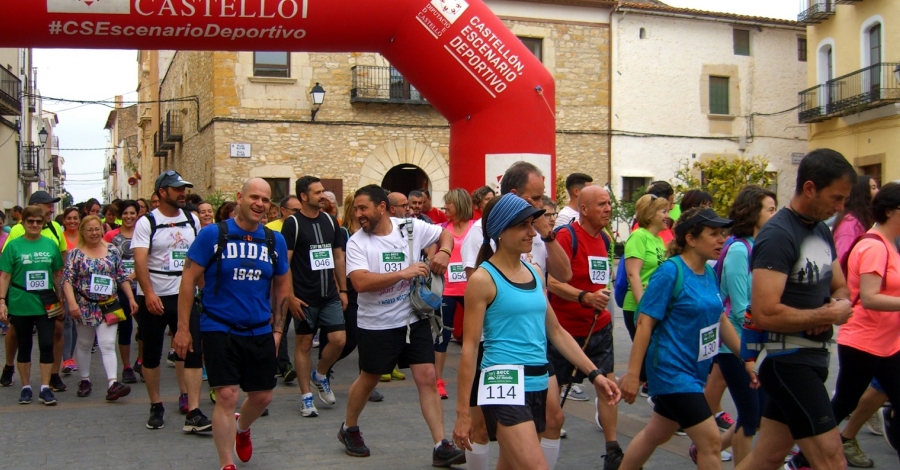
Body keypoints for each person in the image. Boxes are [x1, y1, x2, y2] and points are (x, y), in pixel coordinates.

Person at [453, 194, 620, 469]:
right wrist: (463, 413)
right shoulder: (482, 279)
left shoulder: (532, 271)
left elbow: (556, 332)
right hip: (503, 383)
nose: (533, 232)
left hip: (538, 381)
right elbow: (470, 348)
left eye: (532, 224)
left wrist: (595, 374)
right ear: (500, 231)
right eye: (523, 226)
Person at [736, 149, 856, 470]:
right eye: (836, 197)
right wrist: (824, 315)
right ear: (810, 188)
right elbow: (764, 313)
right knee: (832, 459)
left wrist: (834, 304)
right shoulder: (778, 235)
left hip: (811, 359)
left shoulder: (820, 230)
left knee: (768, 457)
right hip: (789, 363)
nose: (840, 207)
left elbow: (841, 286)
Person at [339, 184, 465, 465]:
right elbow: (360, 282)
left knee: (427, 377)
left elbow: (444, 233)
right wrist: (402, 273)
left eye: (363, 208)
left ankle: (440, 445)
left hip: (413, 319)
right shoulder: (357, 241)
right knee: (369, 379)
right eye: (356, 209)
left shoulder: (409, 228)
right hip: (376, 325)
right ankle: (349, 428)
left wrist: (444, 251)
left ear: (381, 207)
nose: (358, 214)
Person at [459, 161, 572, 470]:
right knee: (482, 428)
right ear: (514, 195)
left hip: (533, 343)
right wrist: (461, 412)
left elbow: (564, 274)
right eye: (535, 198)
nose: (542, 206)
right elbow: (477, 288)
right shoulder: (484, 236)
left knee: (551, 419)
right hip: (494, 349)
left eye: (542, 198)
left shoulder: (535, 232)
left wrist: (547, 237)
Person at [174, 177, 291, 470]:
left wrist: (278, 330)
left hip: (259, 329)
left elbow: (282, 286)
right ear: (239, 197)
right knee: (226, 395)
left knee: (263, 396)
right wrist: (183, 328)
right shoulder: (213, 234)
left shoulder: (273, 240)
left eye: (265, 200)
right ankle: (227, 463)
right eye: (254, 197)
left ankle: (242, 428)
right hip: (218, 326)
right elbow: (188, 280)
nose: (260, 204)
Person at [618, 207, 744, 470]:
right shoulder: (670, 272)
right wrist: (632, 374)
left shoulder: (708, 273)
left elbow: (721, 320)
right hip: (671, 371)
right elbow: (644, 323)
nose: (722, 239)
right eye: (714, 234)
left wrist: (748, 358)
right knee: (710, 442)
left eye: (723, 233)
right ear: (691, 238)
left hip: (695, 371)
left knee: (657, 433)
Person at [546, 185, 625, 469]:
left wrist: (598, 297)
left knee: (607, 384)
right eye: (601, 204)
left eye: (608, 204)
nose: (608, 209)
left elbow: (600, 276)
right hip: (564, 331)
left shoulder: (604, 239)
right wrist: (584, 297)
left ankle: (612, 448)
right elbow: (551, 282)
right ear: (584, 209)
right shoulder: (566, 237)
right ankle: (542, 443)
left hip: (599, 327)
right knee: (554, 396)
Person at [825, 182, 900, 467]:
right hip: (863, 342)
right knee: (844, 402)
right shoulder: (873, 246)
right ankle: (805, 454)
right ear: (892, 212)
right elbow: (869, 298)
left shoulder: (889, 244)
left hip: (888, 344)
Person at [132, 170, 210, 432]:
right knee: (152, 354)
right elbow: (140, 260)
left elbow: (199, 257)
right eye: (177, 189)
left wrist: (205, 289)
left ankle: (193, 409)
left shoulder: (192, 219)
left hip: (185, 294)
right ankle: (156, 404)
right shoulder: (147, 222)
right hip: (155, 295)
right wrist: (149, 293)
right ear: (162, 192)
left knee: (192, 352)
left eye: (184, 188)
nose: (182, 193)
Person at [711, 185, 776, 466]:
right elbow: (739, 308)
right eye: (770, 210)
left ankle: (709, 448)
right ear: (753, 212)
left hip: (753, 341)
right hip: (734, 344)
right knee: (751, 417)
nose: (775, 215)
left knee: (756, 413)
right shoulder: (739, 249)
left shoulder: (758, 246)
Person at [282, 176, 348, 418]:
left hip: (329, 294)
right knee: (304, 345)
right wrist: (290, 296)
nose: (323, 195)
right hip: (304, 297)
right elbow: (285, 263)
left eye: (323, 191)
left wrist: (343, 290)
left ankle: (320, 374)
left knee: (339, 340)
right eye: (317, 192)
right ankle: (306, 398)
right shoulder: (293, 224)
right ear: (303, 196)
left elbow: (338, 257)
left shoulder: (332, 221)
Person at [62, 215, 136, 401]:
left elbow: (121, 276)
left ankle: (113, 383)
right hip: (84, 305)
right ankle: (85, 379)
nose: (94, 233)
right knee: (85, 344)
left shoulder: (112, 251)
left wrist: (131, 298)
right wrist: (71, 303)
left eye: (97, 229)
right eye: (90, 230)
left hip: (108, 304)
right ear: (83, 232)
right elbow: (67, 281)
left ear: (102, 230)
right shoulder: (75, 254)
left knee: (108, 344)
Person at [1, 191, 69, 393]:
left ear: (42, 223)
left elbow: (58, 273)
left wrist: (62, 297)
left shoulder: (50, 243)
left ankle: (46, 386)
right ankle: (26, 386)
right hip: (21, 298)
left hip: (47, 299)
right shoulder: (13, 244)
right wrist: (2, 301)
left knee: (48, 342)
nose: (34, 225)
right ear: (23, 223)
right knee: (24, 344)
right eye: (30, 221)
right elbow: (4, 276)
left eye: (38, 222)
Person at [434, 189, 475, 400]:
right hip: (447, 290)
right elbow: (431, 256)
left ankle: (476, 375)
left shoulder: (475, 228)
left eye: (448, 204)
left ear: (459, 204)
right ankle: (437, 380)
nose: (445, 207)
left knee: (476, 335)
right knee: (443, 336)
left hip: (472, 290)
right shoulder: (441, 229)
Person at [103, 200, 141, 384]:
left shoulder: (143, 233)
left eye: (132, 213)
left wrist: (134, 276)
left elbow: (148, 258)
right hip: (119, 289)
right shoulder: (111, 236)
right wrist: (122, 279)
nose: (129, 217)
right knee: (125, 328)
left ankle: (141, 361)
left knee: (145, 327)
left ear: (137, 214)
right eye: (125, 213)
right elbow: (103, 258)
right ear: (120, 215)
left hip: (142, 286)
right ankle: (126, 367)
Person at [622, 194, 669, 340]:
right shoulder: (638, 236)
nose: (668, 216)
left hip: (655, 306)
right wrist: (643, 308)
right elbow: (633, 274)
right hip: (638, 307)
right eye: (663, 212)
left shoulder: (659, 240)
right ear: (650, 215)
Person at [266, 194, 303, 382]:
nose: (299, 214)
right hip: (276, 286)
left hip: (299, 286)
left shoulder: (301, 226)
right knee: (279, 325)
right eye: (295, 210)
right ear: (283, 211)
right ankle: (283, 364)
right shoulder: (270, 229)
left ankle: (283, 364)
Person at [833, 175, 878, 261]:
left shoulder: (864, 220)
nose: (878, 191)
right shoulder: (850, 224)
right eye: (873, 188)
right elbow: (842, 258)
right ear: (862, 192)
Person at [60, 207, 81, 375]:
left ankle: (71, 356)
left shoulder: (84, 237)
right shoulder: (60, 237)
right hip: (65, 283)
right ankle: (66, 358)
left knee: (75, 321)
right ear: (64, 221)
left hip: (82, 285)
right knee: (67, 319)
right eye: (69, 218)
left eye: (75, 218)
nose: (72, 221)